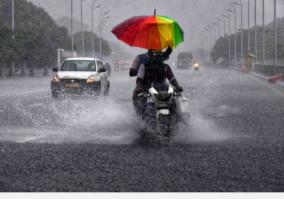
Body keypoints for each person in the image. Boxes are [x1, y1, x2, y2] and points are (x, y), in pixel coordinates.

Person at [130, 48, 183, 116]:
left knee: (174, 103)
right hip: (146, 91)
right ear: (150, 56)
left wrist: (177, 87)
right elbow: (139, 79)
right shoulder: (143, 65)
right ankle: (143, 118)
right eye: (155, 56)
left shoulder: (165, 67)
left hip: (162, 91)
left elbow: (172, 79)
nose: (157, 58)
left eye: (159, 56)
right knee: (142, 105)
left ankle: (178, 119)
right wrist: (139, 87)